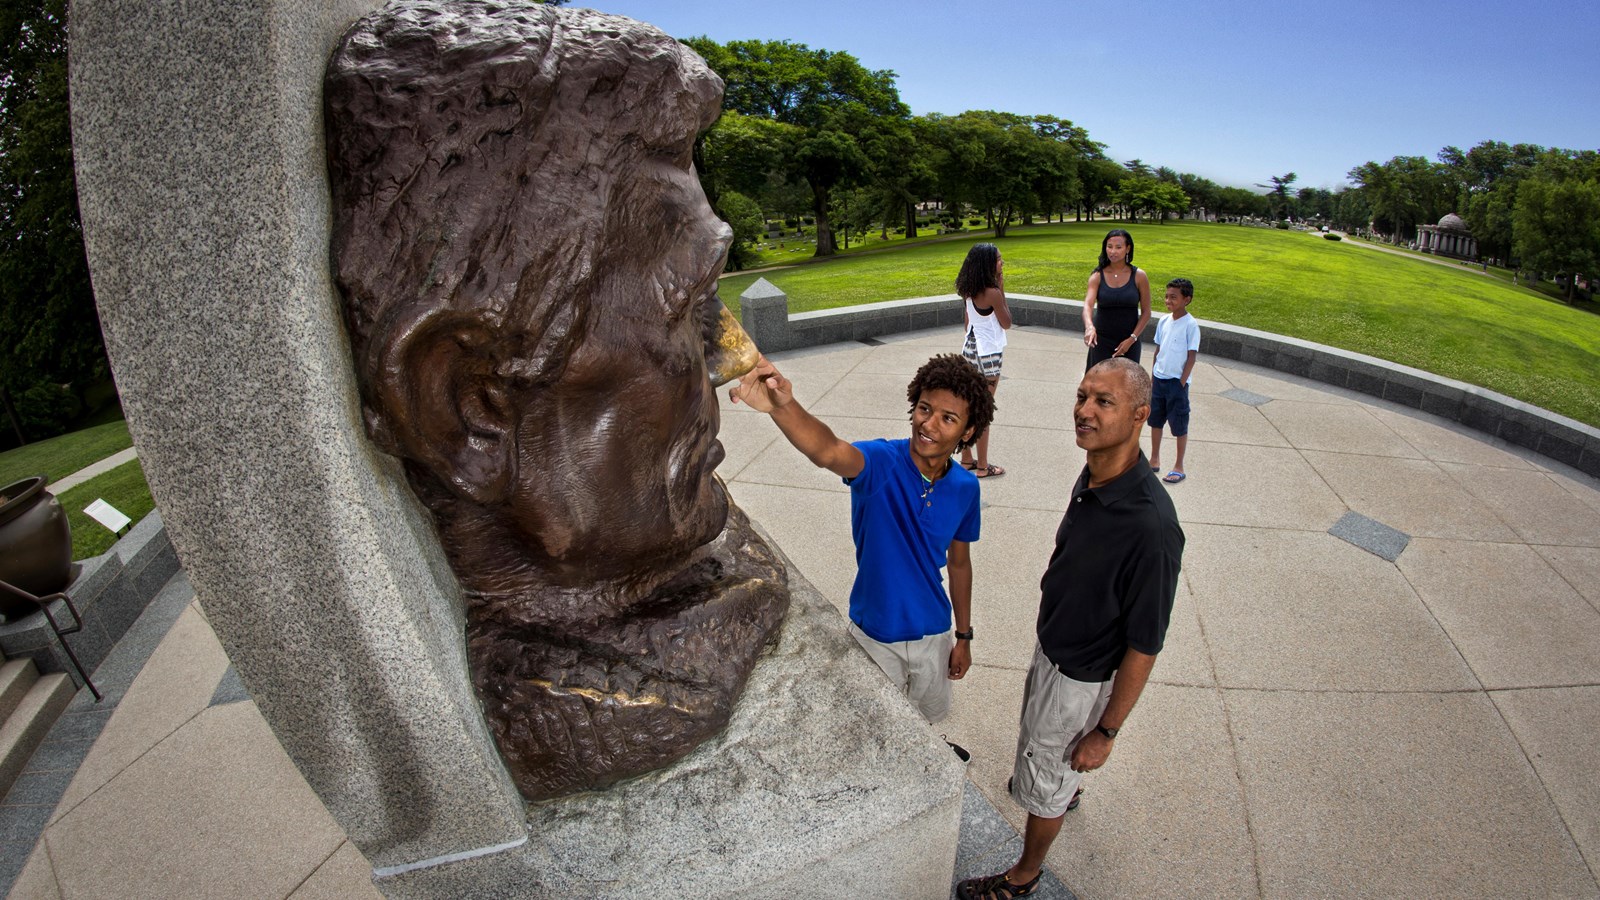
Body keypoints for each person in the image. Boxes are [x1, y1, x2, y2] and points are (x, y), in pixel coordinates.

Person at [958, 359, 1184, 900]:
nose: (1084, 411)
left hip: (1079, 678)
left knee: (1046, 778)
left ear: (1139, 415)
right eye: (1082, 396)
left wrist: (1105, 733)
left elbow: (1145, 644)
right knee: (1046, 762)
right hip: (1055, 648)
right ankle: (1062, 786)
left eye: (1103, 402)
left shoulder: (1152, 527)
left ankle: (1023, 876)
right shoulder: (1097, 471)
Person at [730, 353, 995, 725]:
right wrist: (783, 407)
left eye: (948, 418)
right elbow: (828, 450)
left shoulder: (966, 487)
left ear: (967, 432)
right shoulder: (881, 462)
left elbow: (960, 563)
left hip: (935, 632)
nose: (929, 424)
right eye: (924, 408)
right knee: (872, 727)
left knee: (926, 724)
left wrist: (963, 636)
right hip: (874, 634)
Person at [956, 242, 1012, 478]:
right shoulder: (992, 293)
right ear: (988, 264)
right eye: (999, 259)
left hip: (969, 349)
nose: (1002, 263)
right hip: (989, 354)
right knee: (984, 410)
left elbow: (967, 322)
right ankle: (982, 466)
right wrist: (1001, 288)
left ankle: (967, 459)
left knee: (968, 406)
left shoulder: (968, 289)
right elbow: (1007, 321)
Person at [1148, 278, 1201, 484]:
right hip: (1159, 380)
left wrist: (1181, 383)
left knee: (1179, 423)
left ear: (1186, 299)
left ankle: (1179, 465)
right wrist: (1153, 377)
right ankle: (1154, 458)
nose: (1168, 300)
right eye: (1167, 296)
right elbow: (1158, 350)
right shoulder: (1163, 321)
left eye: (1173, 297)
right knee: (1155, 420)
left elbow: (1191, 356)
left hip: (1176, 384)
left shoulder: (1191, 325)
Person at [1081, 229, 1151, 370]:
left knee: (1126, 387)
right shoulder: (1097, 276)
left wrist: (1132, 338)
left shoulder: (1139, 276)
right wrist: (1089, 327)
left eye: (1118, 247)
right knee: (1099, 387)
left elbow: (1146, 312)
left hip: (1129, 341)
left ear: (1128, 249)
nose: (1113, 251)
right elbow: (1088, 305)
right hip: (1101, 341)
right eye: (1109, 246)